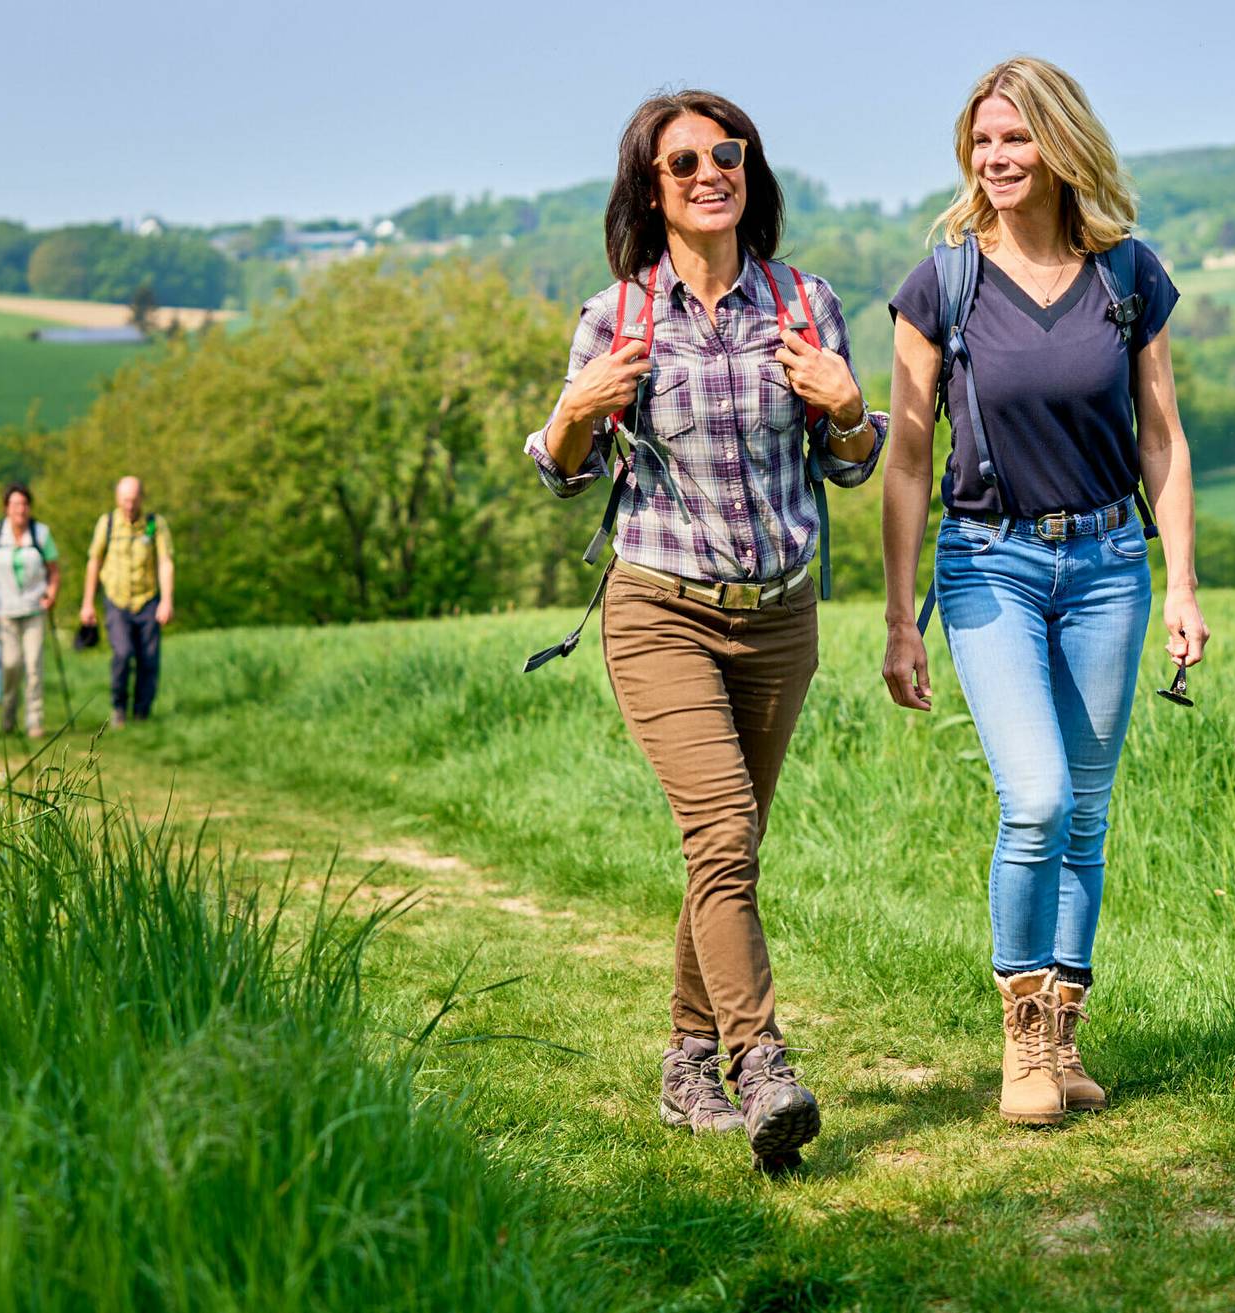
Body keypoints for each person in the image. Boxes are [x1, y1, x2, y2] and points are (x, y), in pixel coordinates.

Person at [524, 91, 885, 1167]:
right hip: (661, 612)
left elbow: (850, 462)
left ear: (749, 171)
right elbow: (558, 470)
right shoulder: (619, 316)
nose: (708, 172)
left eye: (725, 154)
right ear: (652, 186)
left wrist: (851, 404)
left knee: (726, 849)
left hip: (780, 618)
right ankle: (761, 1059)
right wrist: (577, 407)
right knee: (722, 830)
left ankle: (685, 1060)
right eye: (683, 162)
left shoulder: (806, 305)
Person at [880, 57, 1210, 1127]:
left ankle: (1064, 1035)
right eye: (982, 142)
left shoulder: (1127, 276)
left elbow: (1161, 436)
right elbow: (906, 458)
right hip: (990, 565)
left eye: (1015, 140)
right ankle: (1021, 1032)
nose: (996, 158)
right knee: (1037, 798)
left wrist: (1181, 585)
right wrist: (897, 616)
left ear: (1059, 145)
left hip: (1112, 562)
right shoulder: (945, 283)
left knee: (1088, 814)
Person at [79, 476, 174, 729]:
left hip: (147, 600)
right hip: (116, 600)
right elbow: (94, 561)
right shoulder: (107, 523)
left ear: (141, 498)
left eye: (133, 500)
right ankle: (119, 706)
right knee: (122, 653)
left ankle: (142, 713)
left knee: (149, 659)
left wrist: (166, 601)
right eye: (124, 500)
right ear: (117, 499)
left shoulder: (155, 525)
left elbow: (165, 562)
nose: (129, 505)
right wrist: (87, 603)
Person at [0, 483, 61, 738]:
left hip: (34, 609)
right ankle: (8, 715)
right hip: (3, 611)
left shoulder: (40, 534)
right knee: (11, 664)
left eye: (24, 504)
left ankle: (34, 721)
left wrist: (51, 595)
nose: (20, 510)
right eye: (15, 505)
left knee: (34, 664)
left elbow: (54, 569)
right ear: (6, 508)